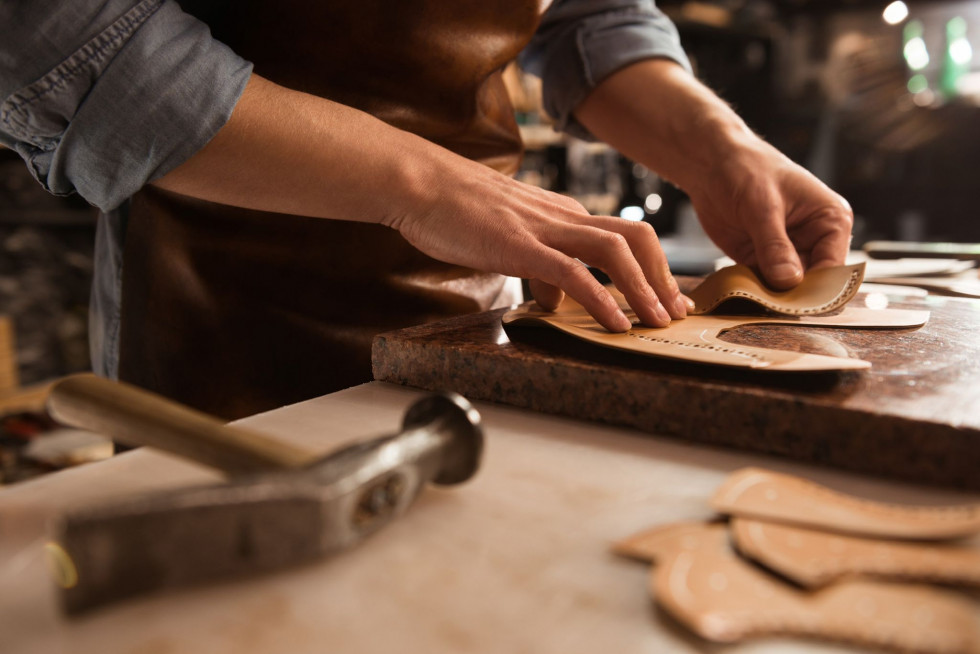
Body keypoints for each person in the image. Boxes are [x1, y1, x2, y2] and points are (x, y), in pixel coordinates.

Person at [0, 0, 852, 418]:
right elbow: (62, 34)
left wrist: (721, 147)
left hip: (485, 332)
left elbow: (597, 14)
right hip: (229, 336)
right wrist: (428, 186)